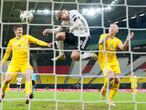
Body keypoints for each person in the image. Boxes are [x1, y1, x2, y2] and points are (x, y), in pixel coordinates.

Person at [0, 25, 51, 104]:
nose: (21, 31)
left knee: (28, 76)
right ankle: (2, 92)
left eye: (21, 30)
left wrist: (46, 44)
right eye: (19, 30)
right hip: (14, 64)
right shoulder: (11, 41)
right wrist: (2, 63)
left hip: (25, 64)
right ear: (15, 31)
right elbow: (7, 53)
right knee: (7, 80)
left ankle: (28, 95)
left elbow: (37, 41)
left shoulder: (27, 37)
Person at [98, 23, 134, 106]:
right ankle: (103, 88)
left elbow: (123, 48)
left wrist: (127, 40)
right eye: (111, 27)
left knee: (117, 80)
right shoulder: (103, 36)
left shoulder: (117, 40)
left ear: (117, 31)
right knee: (110, 76)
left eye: (114, 27)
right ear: (109, 29)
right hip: (104, 60)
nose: (112, 28)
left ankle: (109, 100)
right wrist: (108, 36)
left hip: (113, 61)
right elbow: (100, 43)